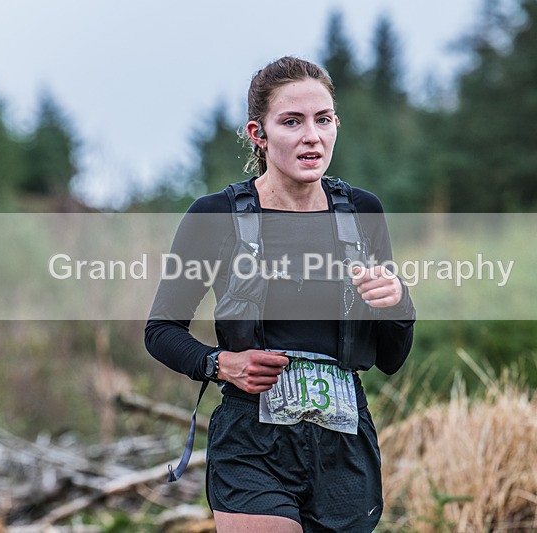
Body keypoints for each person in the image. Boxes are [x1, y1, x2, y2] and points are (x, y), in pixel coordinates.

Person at [145, 56, 415, 532]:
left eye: (323, 119)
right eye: (292, 121)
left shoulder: (362, 213)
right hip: (253, 440)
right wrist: (219, 363)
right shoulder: (216, 217)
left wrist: (397, 301)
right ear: (259, 133)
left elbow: (392, 357)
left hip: (345, 441)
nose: (312, 135)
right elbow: (161, 330)